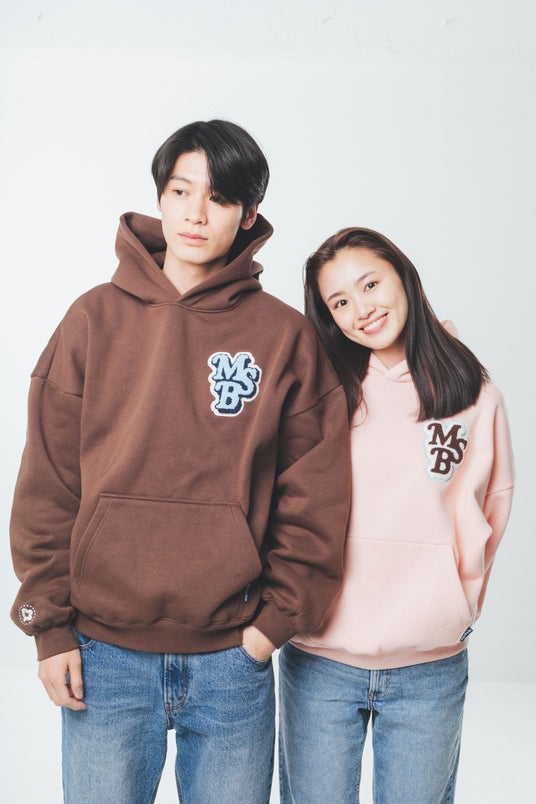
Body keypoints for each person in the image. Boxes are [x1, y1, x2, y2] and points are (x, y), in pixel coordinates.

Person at [9, 120, 350, 804]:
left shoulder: (284, 336)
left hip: (232, 660)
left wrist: (272, 626)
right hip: (102, 655)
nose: (195, 213)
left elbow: (315, 493)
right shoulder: (92, 320)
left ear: (249, 214)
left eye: (219, 198)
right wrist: (49, 629)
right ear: (160, 198)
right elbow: (50, 482)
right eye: (180, 190)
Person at [278, 227, 514, 803]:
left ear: (403, 277)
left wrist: (455, 604)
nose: (362, 310)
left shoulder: (472, 392)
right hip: (319, 660)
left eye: (370, 284)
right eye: (340, 302)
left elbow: (493, 506)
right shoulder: (320, 393)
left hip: (429, 667)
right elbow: (285, 505)